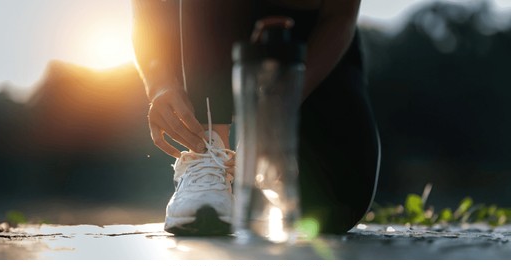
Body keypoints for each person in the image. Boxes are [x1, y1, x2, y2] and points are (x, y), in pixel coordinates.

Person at [131, 0, 381, 236]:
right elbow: (148, 11)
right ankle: (209, 156)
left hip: (309, 44)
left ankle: (247, 188)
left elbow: (340, 14)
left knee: (333, 206)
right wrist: (160, 84)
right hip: (204, 31)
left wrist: (277, 111)